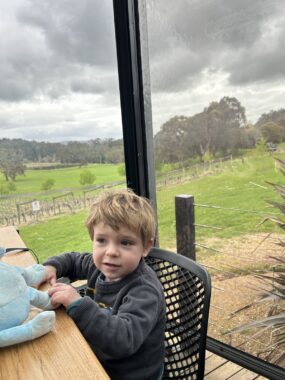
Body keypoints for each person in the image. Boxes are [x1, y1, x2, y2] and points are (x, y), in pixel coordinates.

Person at [42, 189, 166, 380]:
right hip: (97, 357)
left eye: (125, 242)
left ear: (146, 247)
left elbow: (123, 340)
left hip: (131, 373)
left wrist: (78, 304)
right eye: (101, 240)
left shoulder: (144, 290)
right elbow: (73, 260)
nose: (111, 252)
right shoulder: (99, 266)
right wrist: (51, 266)